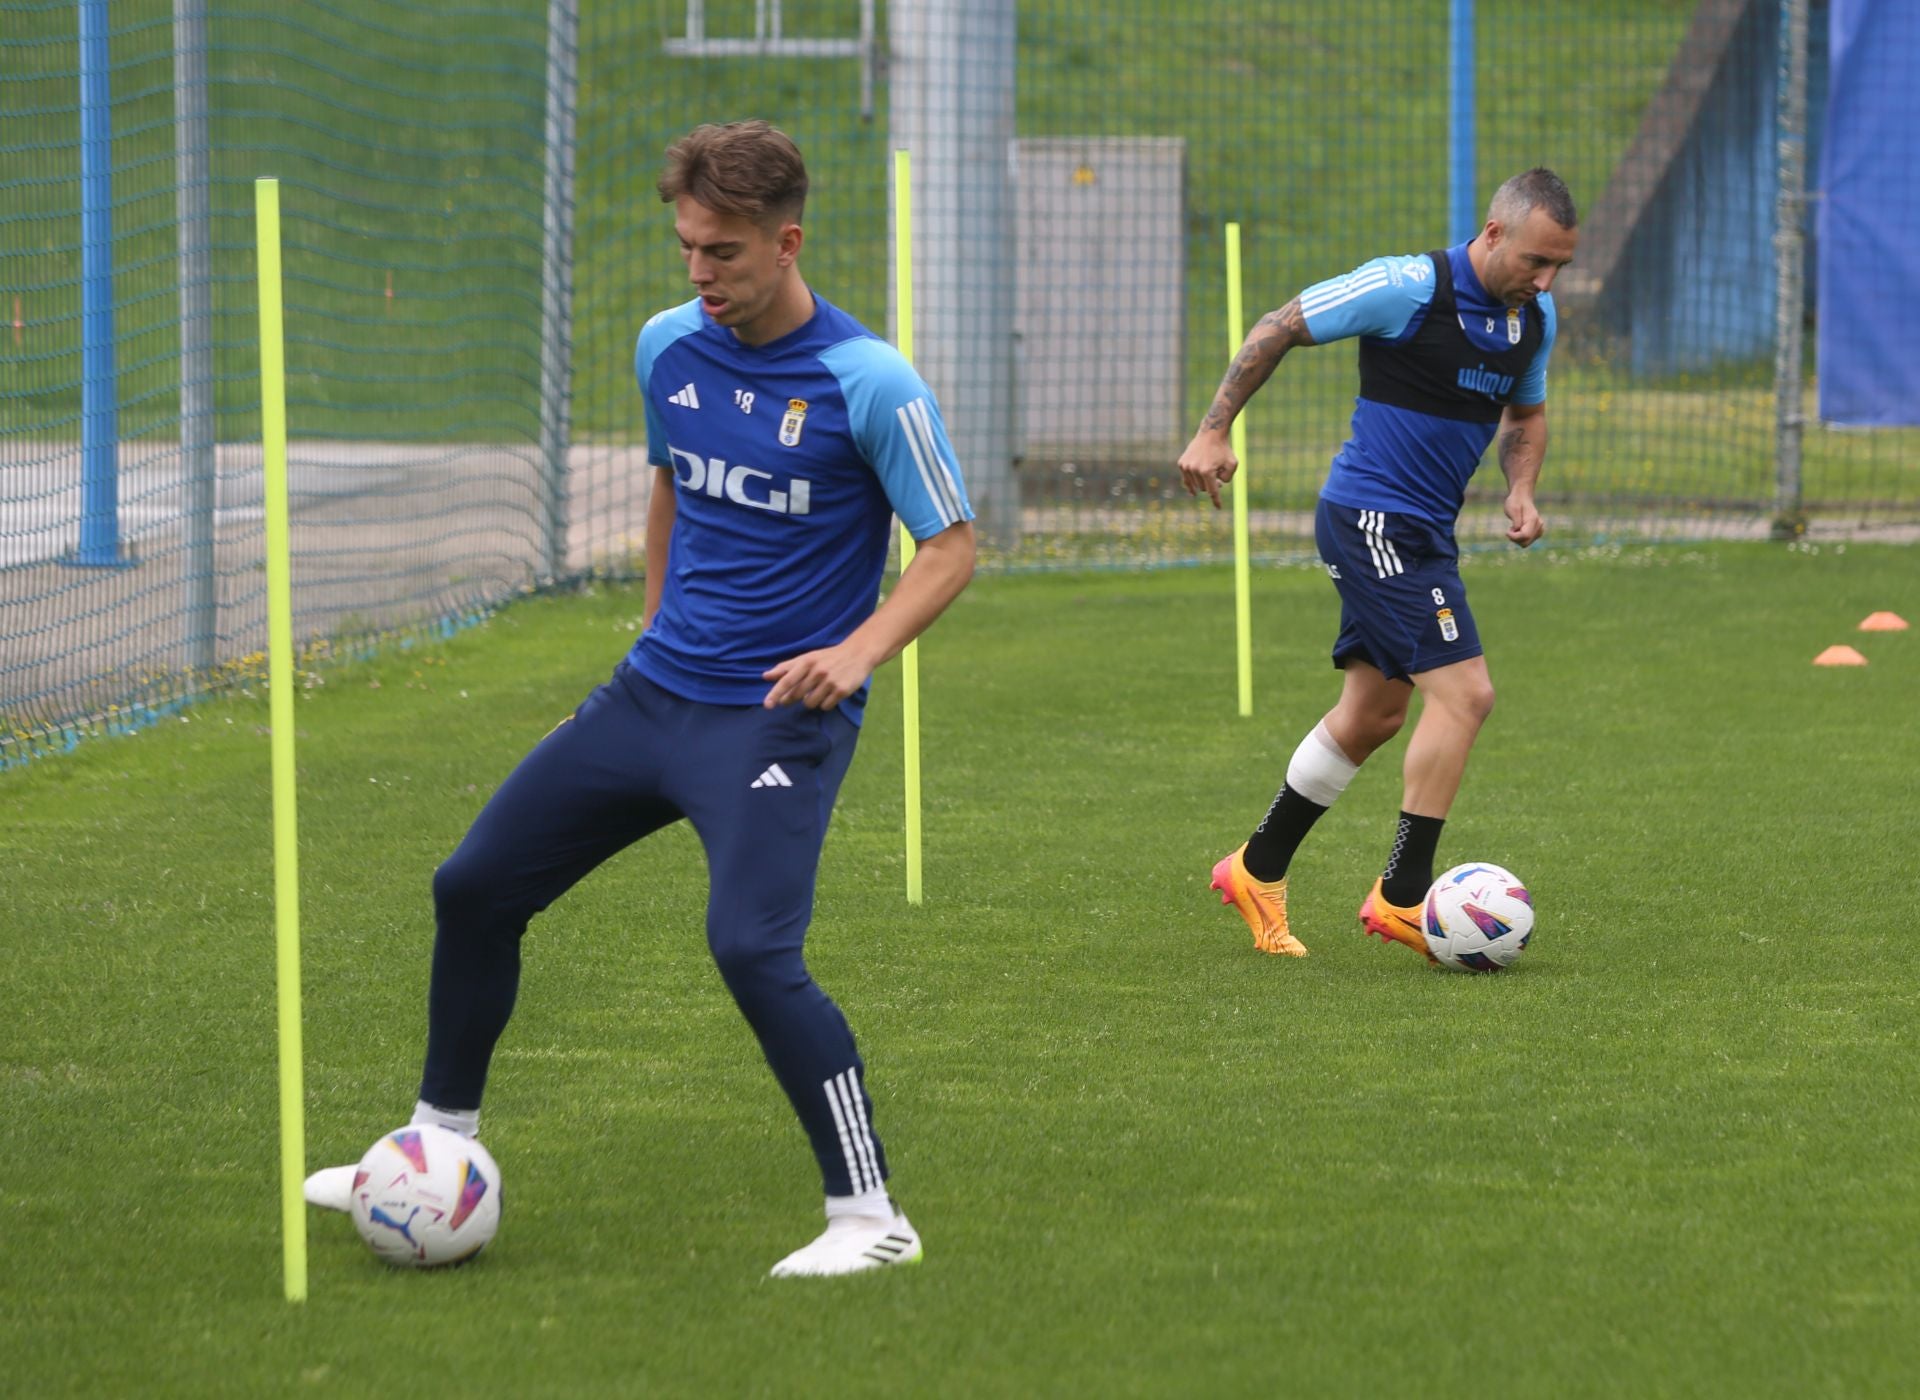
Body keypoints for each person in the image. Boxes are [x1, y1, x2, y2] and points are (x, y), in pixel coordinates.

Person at [305, 120, 977, 1277]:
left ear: (786, 241)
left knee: (752, 948)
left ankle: (872, 1215)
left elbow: (953, 546)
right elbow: (672, 491)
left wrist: (857, 652)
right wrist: (656, 625)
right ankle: (435, 1147)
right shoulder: (668, 345)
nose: (699, 273)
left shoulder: (871, 382)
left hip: (776, 719)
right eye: (686, 248)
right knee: (472, 886)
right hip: (651, 694)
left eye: (721, 251)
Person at [1177, 169, 1577, 960]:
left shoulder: (1533, 320)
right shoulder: (1407, 286)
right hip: (1372, 519)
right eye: (1535, 261)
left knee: (1375, 713)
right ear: (1493, 235)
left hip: (1425, 531)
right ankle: (1401, 896)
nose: (1546, 280)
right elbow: (1281, 323)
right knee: (1466, 696)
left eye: (1559, 265)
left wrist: (1521, 489)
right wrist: (1214, 428)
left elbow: (1525, 413)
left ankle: (1256, 869)